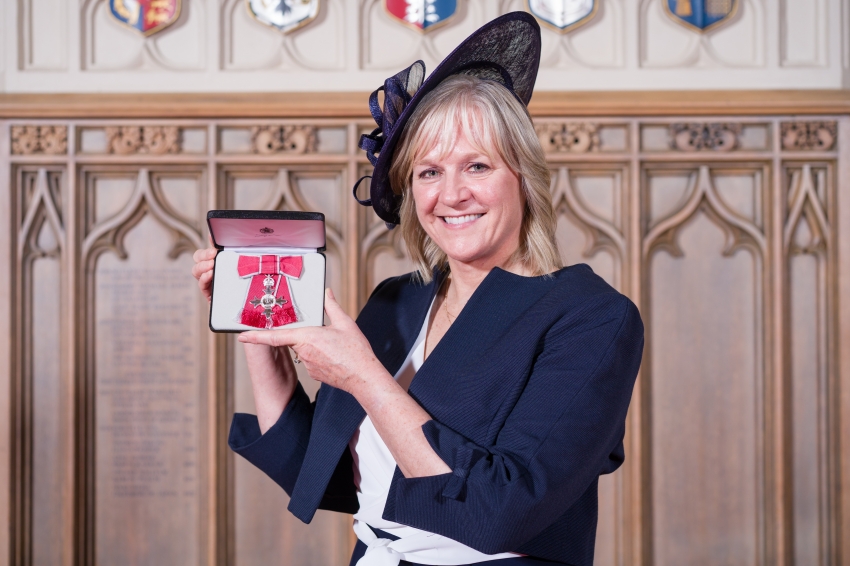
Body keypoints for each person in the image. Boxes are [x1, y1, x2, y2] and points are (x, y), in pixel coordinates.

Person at [192, 12, 643, 566]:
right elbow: (322, 473)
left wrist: (363, 375)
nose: (450, 195)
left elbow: (498, 511)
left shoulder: (591, 317)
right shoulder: (397, 300)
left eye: (476, 166)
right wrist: (262, 326)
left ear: (523, 177)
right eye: (428, 172)